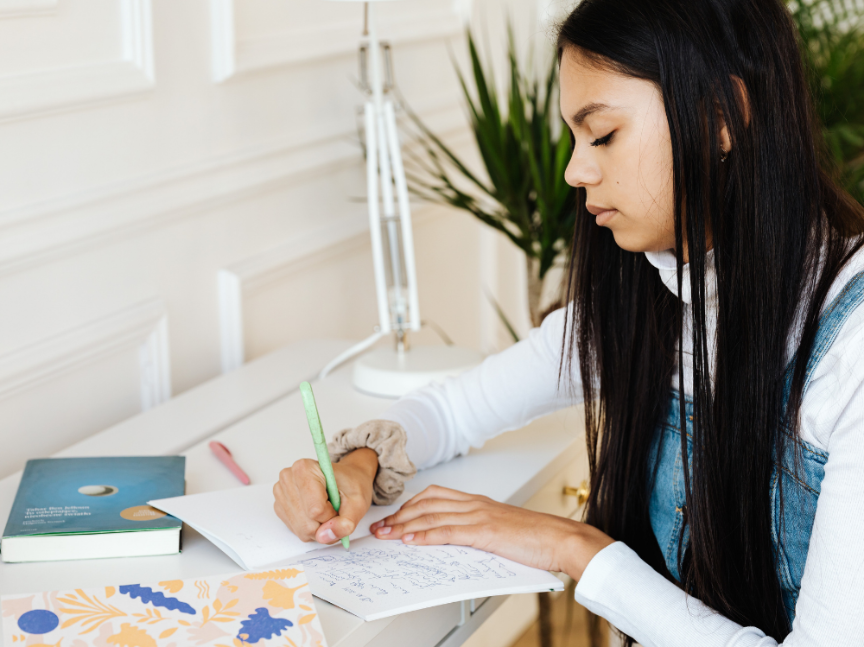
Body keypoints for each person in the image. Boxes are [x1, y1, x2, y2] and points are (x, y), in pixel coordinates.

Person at [273, 0, 864, 644]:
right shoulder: (649, 292)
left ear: (722, 117)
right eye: (575, 139)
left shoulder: (851, 346)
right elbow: (455, 410)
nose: (574, 171)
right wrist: (358, 465)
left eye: (602, 134)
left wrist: (574, 548)